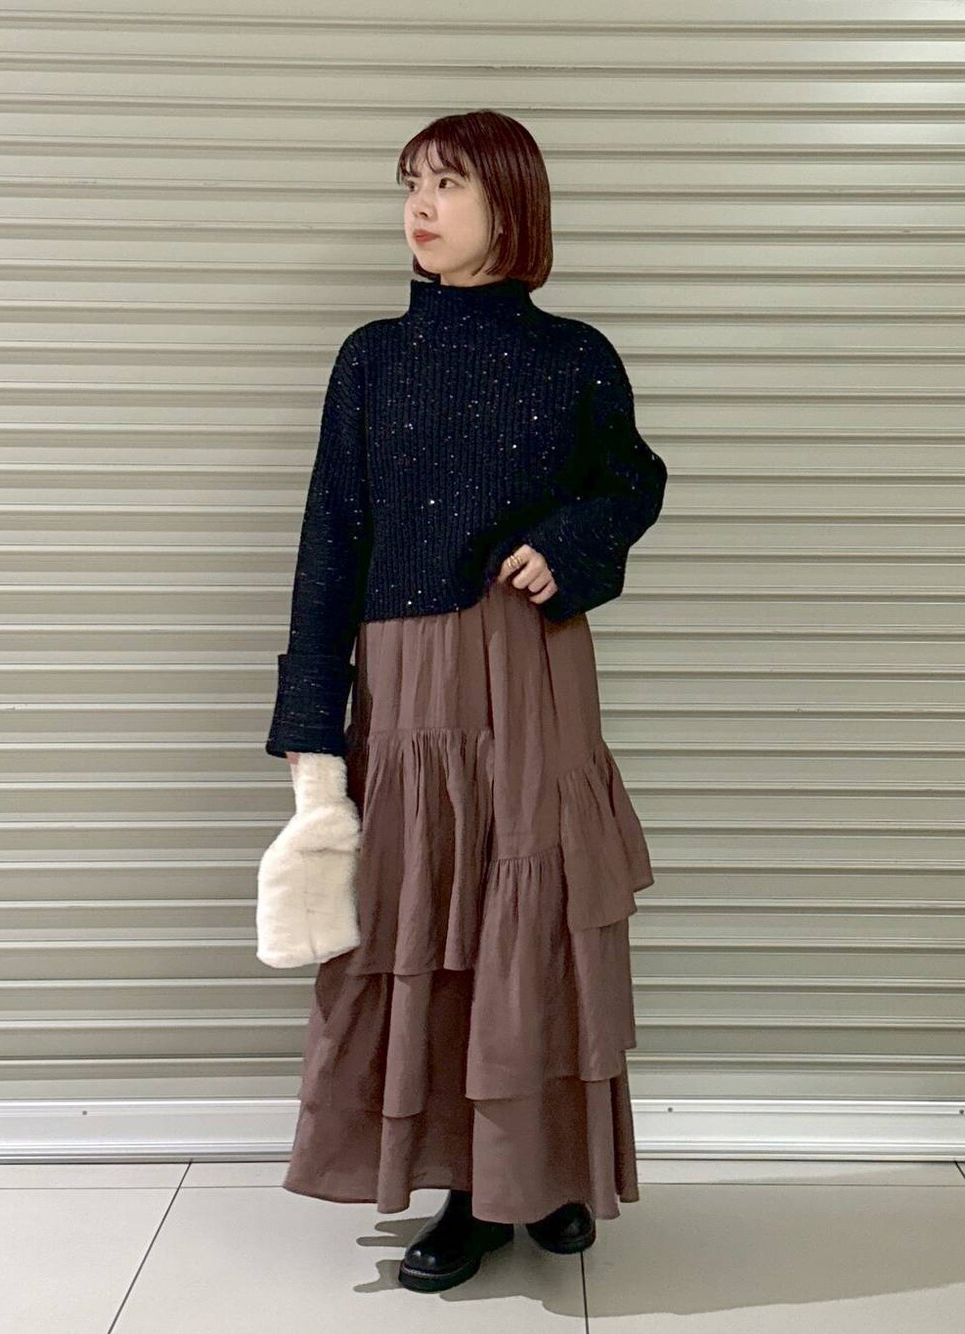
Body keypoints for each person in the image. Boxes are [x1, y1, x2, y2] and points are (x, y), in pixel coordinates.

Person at [260, 108, 667, 1294]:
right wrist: (310, 722)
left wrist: (569, 544)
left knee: (537, 915)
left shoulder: (573, 355)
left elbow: (631, 480)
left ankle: (551, 1170)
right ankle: (467, 1187)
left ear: (510, 200)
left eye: (446, 183)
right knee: (429, 921)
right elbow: (330, 538)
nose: (420, 206)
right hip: (409, 684)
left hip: (533, 668)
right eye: (410, 184)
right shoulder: (373, 359)